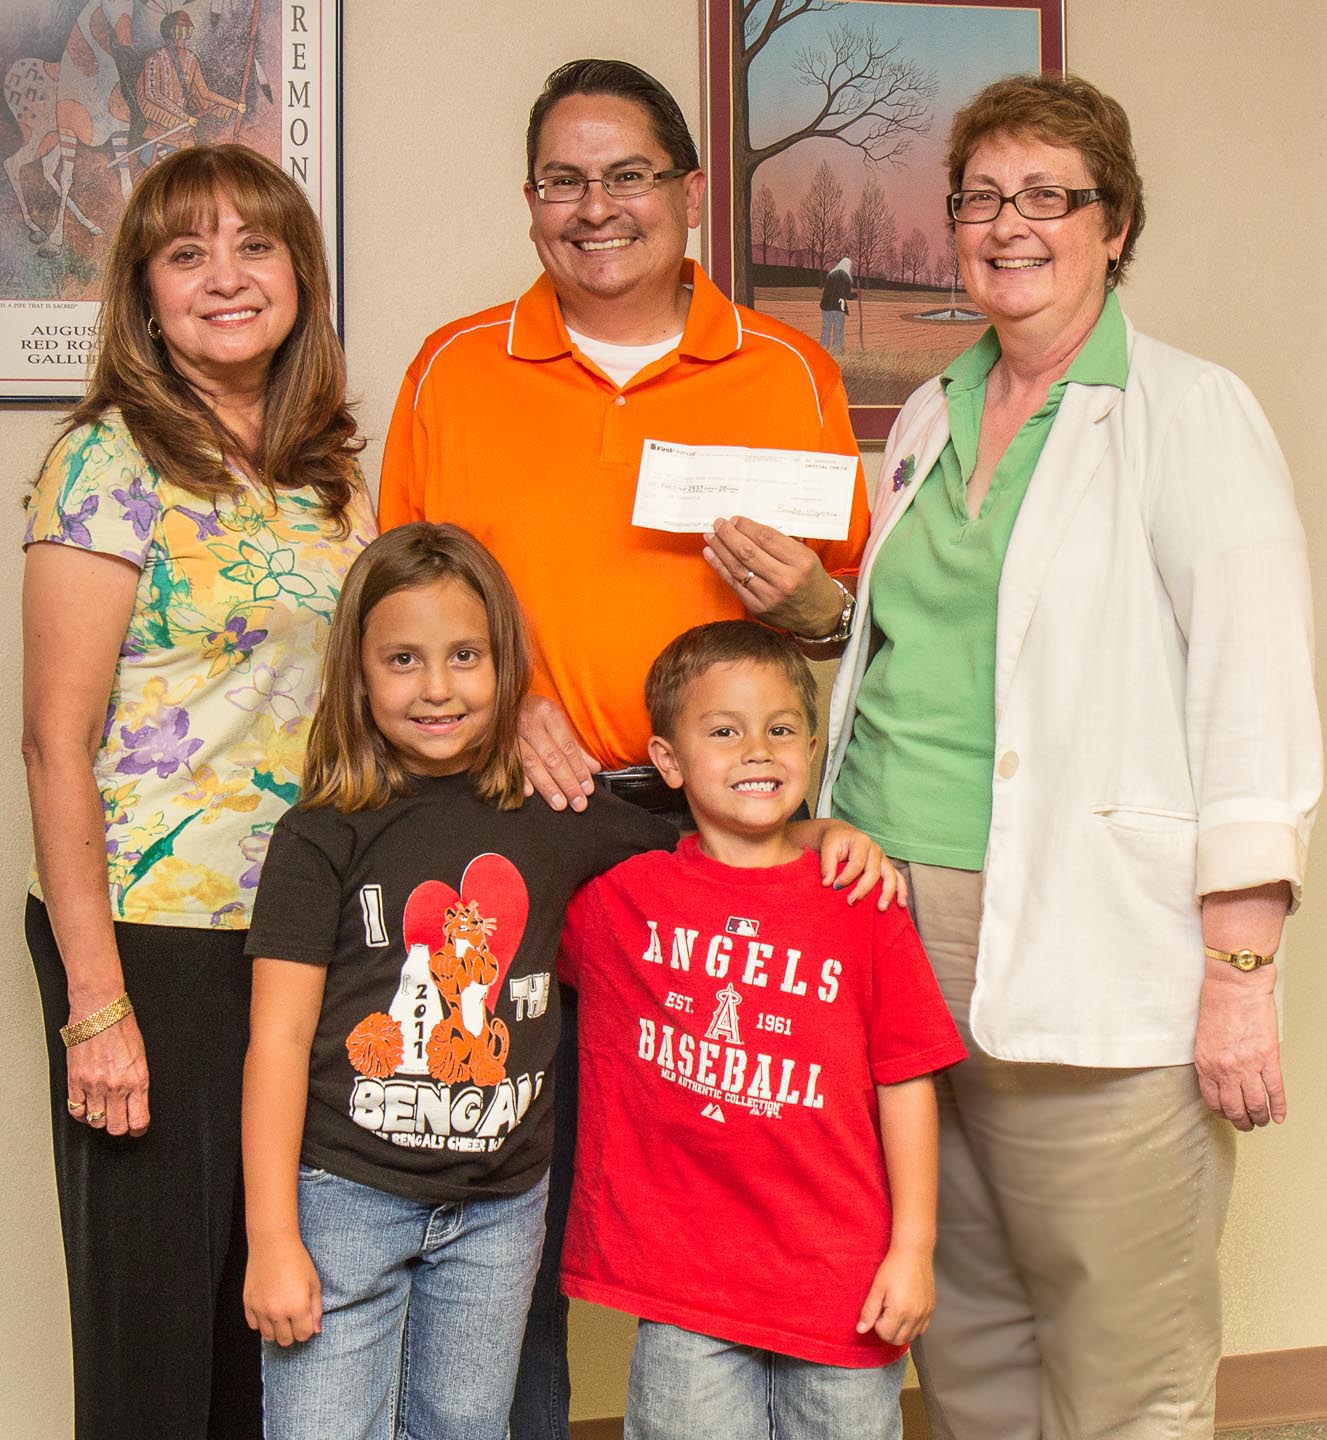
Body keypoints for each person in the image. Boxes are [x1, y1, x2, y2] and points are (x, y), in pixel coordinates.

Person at [819, 73, 1320, 1440]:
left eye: (1048, 196)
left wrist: (1236, 975)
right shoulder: (927, 415)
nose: (1007, 225)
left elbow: (1253, 701)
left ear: (1114, 226)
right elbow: (918, 656)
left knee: (1120, 1352)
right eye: (979, 198)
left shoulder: (1186, 414)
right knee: (964, 1326)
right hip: (889, 922)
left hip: (1087, 933)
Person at [377, 59, 872, 1438]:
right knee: (498, 1196)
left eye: (626, 175)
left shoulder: (784, 371)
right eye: (560, 180)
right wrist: (499, 692)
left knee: (718, 1174)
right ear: (530, 201)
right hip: (507, 822)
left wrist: (807, 603)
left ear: (689, 192)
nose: (593, 208)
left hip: (706, 841)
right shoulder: (450, 365)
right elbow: (396, 598)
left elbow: (844, 622)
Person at [238, 527, 885, 1440]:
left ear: (507, 665)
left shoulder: (555, 813)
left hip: (499, 1215)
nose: (436, 687)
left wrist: (814, 835)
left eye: (465, 656)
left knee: (465, 1427)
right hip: (348, 1199)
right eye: (402, 660)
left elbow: (711, 849)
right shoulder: (320, 838)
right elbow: (275, 1043)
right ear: (357, 673)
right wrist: (273, 1239)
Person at [21, 143, 374, 1440]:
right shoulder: (106, 463)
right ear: (146, 293)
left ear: (298, 273)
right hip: (156, 944)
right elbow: (55, 746)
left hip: (301, 944)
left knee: (267, 1316)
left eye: (254, 245)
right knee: (153, 1336)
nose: (226, 276)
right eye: (188, 252)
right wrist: (97, 1006)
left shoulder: (325, 472)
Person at [558, 621, 965, 1440]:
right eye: (722, 730)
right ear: (667, 762)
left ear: (812, 750)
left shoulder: (860, 901)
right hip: (684, 1287)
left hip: (838, 1284)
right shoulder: (618, 901)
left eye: (781, 729)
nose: (756, 749)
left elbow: (906, 1079)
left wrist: (913, 1249)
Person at [136, 10, 245, 165]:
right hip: (160, 126)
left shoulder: (191, 59)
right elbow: (152, 94)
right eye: (181, 27)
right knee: (152, 175)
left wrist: (235, 105)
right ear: (170, 30)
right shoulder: (155, 58)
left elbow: (205, 92)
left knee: (186, 173)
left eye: (188, 28)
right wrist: (184, 116)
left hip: (183, 130)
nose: (184, 33)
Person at [819, 256, 853, 353]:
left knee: (826, 327)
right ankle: (837, 349)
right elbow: (848, 295)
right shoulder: (846, 277)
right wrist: (857, 294)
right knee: (838, 328)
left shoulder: (830, 275)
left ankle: (823, 348)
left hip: (825, 305)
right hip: (838, 306)